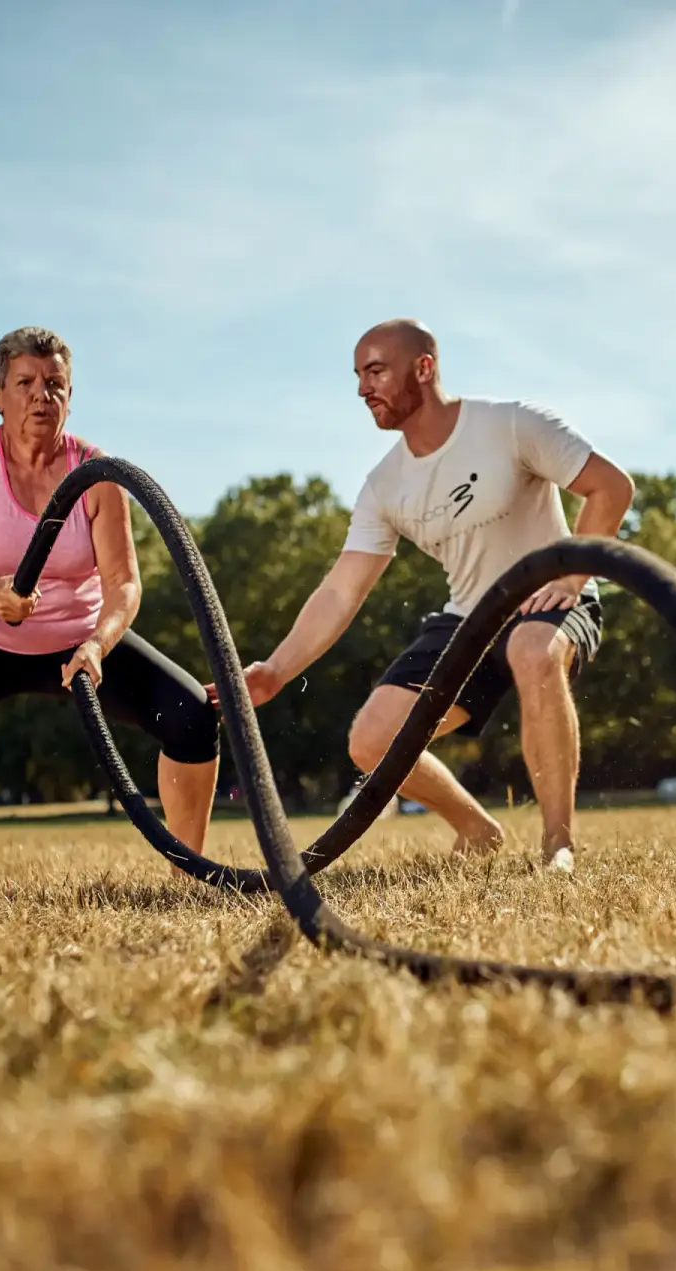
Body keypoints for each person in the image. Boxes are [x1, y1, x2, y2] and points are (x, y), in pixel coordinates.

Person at [221, 319, 635, 865]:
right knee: (370, 741)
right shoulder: (384, 486)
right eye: (358, 375)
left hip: (552, 596)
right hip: (468, 616)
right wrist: (275, 670)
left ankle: (558, 845)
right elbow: (342, 590)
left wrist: (570, 577)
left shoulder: (511, 424)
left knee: (532, 651)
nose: (363, 389)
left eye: (376, 371)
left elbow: (611, 487)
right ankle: (476, 829)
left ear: (424, 367)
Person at [0, 326, 220, 896]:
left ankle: (186, 878)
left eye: (54, 384)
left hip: (80, 640)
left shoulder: (99, 473)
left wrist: (98, 643)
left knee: (194, 715)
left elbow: (124, 584)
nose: (41, 396)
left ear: (70, 397)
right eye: (25, 382)